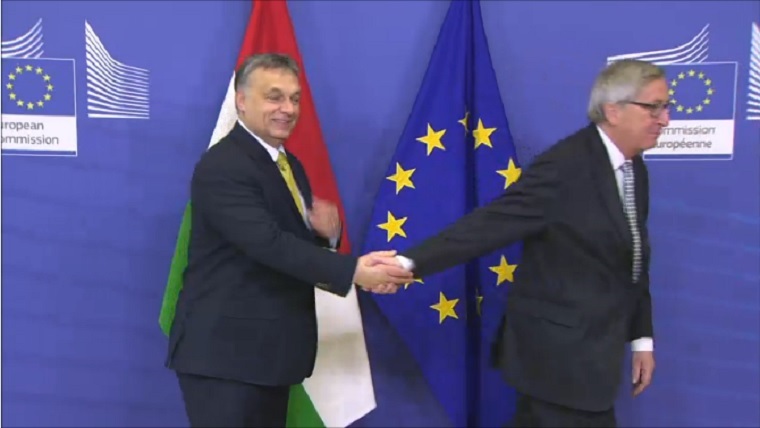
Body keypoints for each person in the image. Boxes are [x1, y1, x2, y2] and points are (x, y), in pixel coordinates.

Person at [389, 59, 664, 427]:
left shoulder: (634, 169)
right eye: (653, 107)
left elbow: (634, 257)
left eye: (666, 106)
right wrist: (408, 263)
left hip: (594, 360)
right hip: (557, 362)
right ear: (613, 110)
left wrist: (641, 338)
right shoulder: (565, 167)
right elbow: (491, 223)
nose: (665, 119)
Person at [164, 53, 412, 427]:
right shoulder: (224, 166)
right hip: (226, 358)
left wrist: (325, 237)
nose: (288, 109)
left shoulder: (288, 165)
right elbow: (269, 245)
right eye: (274, 97)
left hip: (269, 356)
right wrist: (355, 271)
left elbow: (288, 248)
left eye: (294, 98)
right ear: (242, 101)